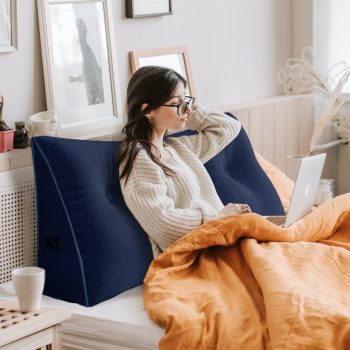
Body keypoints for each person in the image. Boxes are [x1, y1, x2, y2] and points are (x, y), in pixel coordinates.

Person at [118, 66, 251, 257]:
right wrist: (219, 217)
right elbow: (163, 224)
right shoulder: (140, 158)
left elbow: (228, 127)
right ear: (147, 110)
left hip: (222, 239)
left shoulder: (177, 148)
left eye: (186, 100)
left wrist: (184, 108)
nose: (187, 108)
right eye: (176, 103)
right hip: (198, 254)